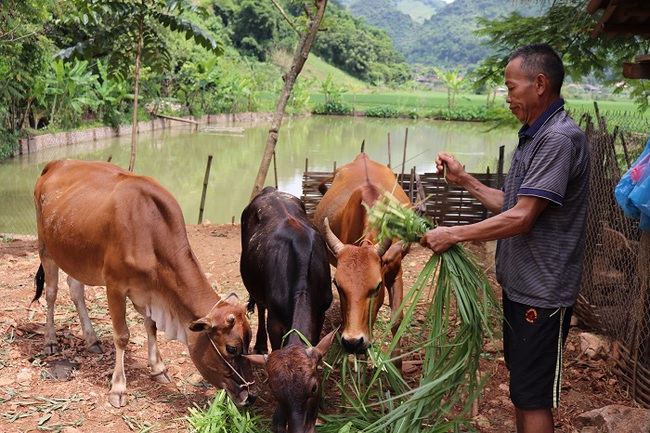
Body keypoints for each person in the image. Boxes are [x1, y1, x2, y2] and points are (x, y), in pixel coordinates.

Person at [420, 43, 591, 433]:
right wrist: (463, 179)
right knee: (522, 390)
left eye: (511, 88)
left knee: (532, 397)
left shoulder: (559, 140)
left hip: (543, 295)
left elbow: (523, 217)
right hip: (520, 288)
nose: (507, 97)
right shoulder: (535, 135)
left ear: (540, 84)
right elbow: (512, 204)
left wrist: (453, 234)